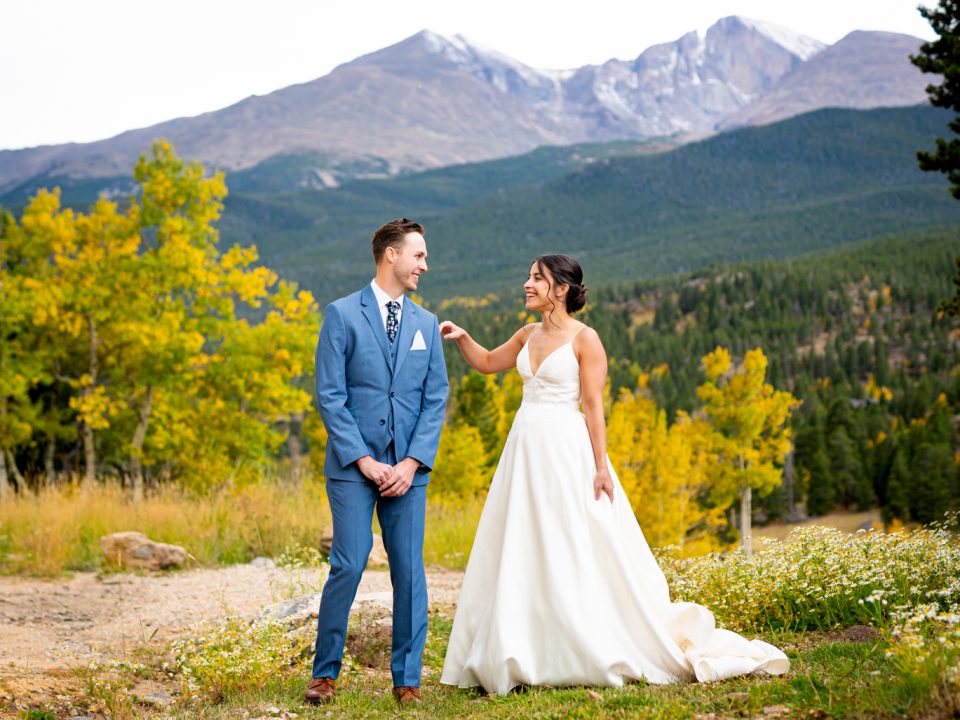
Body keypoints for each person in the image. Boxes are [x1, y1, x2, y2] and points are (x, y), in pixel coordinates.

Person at [438, 254, 789, 695]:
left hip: (567, 451)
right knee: (522, 541)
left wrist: (601, 467)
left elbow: (592, 406)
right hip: (524, 449)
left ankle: (581, 642)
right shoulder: (527, 334)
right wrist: (463, 337)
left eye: (536, 278)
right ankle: (520, 645)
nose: (527, 284)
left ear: (561, 289)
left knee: (572, 541)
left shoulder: (587, 340)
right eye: (528, 276)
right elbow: (489, 362)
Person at [306, 218, 448, 707]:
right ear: (391, 255)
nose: (424, 265)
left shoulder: (426, 325)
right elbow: (330, 396)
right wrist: (365, 461)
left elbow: (435, 398)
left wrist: (411, 463)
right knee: (347, 564)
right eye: (419, 255)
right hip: (352, 469)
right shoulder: (342, 314)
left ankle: (407, 681)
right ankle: (324, 675)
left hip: (408, 472)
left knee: (409, 572)